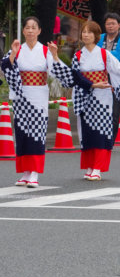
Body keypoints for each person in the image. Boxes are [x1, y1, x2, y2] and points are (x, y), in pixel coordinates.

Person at [0, 17, 73, 187]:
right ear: (23, 31)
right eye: (27, 27)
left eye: (34, 28)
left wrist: (55, 55)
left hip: (38, 97)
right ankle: (25, 172)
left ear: (39, 31)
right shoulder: (17, 49)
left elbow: (58, 72)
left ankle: (34, 172)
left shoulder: (45, 50)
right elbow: (5, 67)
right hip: (21, 97)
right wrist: (12, 54)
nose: (30, 31)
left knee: (36, 134)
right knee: (22, 134)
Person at [71, 20, 120, 180]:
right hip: (85, 97)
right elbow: (76, 77)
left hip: (102, 97)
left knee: (101, 131)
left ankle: (97, 168)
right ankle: (89, 166)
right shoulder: (78, 55)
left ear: (96, 35)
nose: (86, 35)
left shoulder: (104, 54)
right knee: (86, 132)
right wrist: (92, 84)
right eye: (84, 32)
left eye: (90, 32)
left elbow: (117, 69)